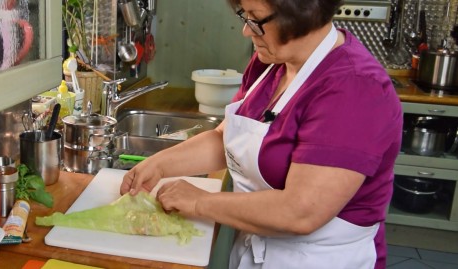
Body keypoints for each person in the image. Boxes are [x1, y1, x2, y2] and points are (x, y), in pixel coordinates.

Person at [120, 0, 403, 268]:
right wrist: (159, 164)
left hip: (319, 260)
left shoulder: (355, 88)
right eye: (245, 16)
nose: (246, 30)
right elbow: (226, 140)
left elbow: (301, 211)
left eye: (255, 20)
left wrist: (198, 202)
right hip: (258, 250)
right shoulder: (270, 62)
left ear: (302, 12)